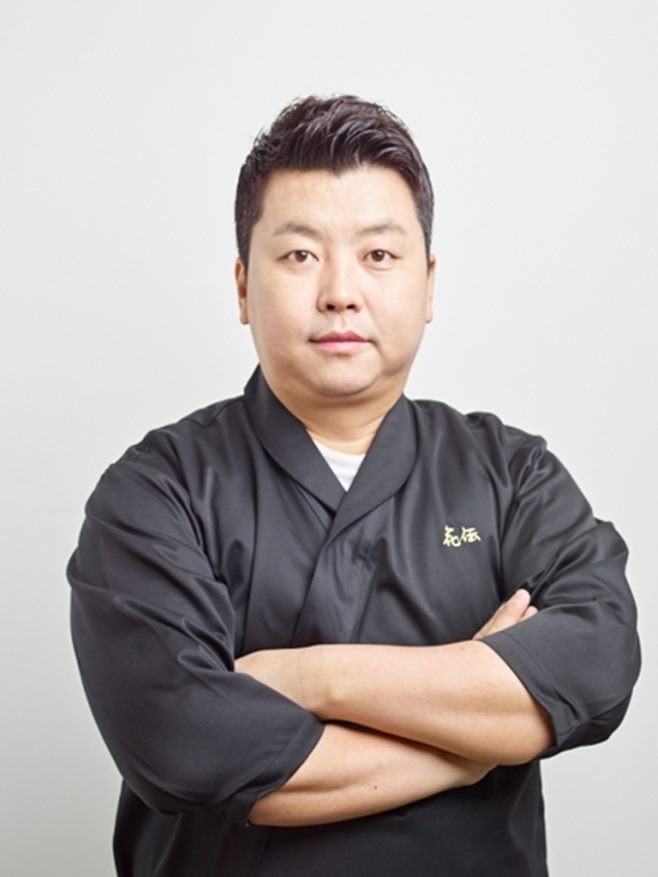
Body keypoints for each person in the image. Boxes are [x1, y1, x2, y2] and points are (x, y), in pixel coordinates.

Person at [68, 94, 640, 877]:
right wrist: (470, 743)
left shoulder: (511, 475)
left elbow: (597, 664)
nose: (340, 290)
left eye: (378, 254)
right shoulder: (155, 493)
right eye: (300, 255)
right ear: (243, 286)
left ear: (428, 284)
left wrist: (312, 676)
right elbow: (186, 746)